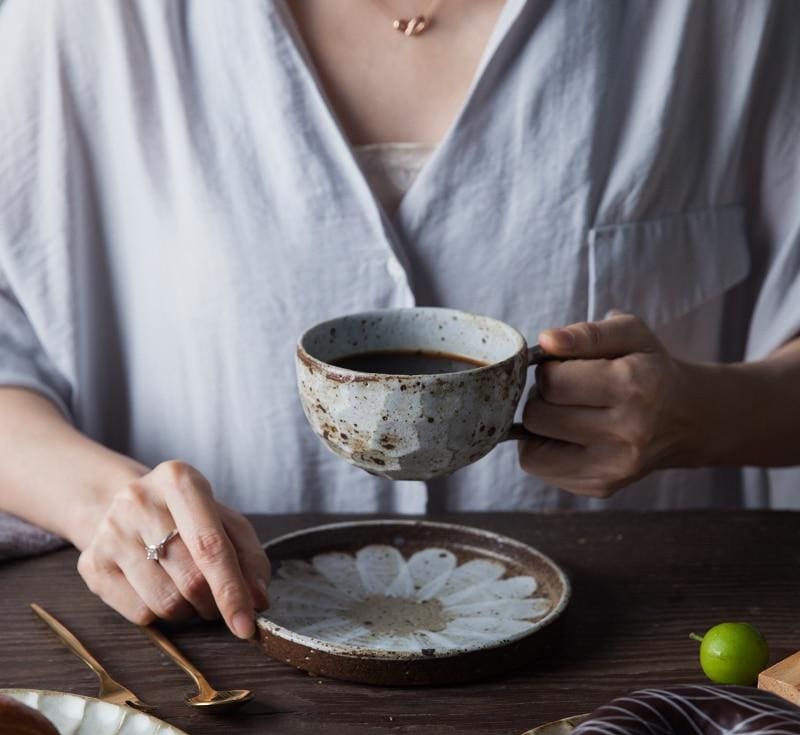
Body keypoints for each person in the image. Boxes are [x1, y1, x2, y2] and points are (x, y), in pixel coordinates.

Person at [0, 0, 798, 639]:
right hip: (209, 649)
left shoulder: (734, 18)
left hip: (637, 649)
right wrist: (97, 498)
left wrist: (705, 413)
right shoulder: (83, 18)